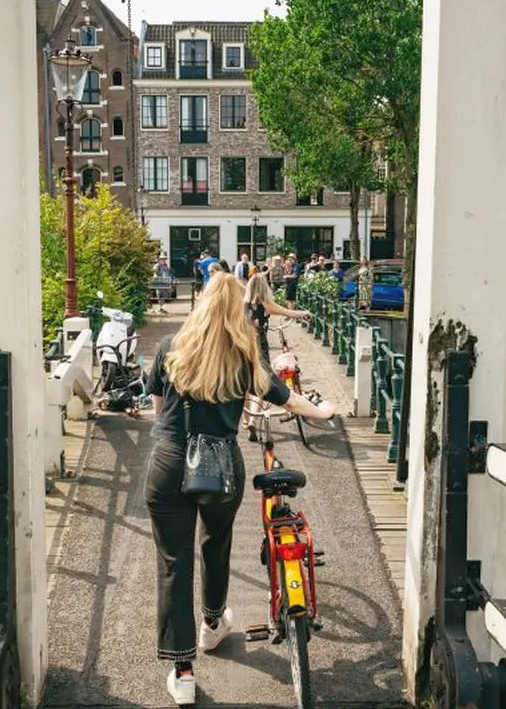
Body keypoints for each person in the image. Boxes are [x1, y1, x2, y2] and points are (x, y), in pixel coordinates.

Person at [144, 272, 335, 705]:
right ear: (235, 309)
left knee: (174, 561)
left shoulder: (169, 348)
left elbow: (159, 411)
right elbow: (285, 398)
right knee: (217, 541)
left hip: (171, 460)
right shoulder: (243, 355)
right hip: (220, 465)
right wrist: (323, 413)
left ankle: (184, 672)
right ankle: (213, 624)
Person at [242, 272, 312, 429]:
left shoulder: (242, 304)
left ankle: (246, 421)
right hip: (259, 347)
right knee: (261, 382)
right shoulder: (265, 303)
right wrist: (304, 314)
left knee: (244, 385)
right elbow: (288, 312)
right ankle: (254, 421)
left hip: (242, 346)